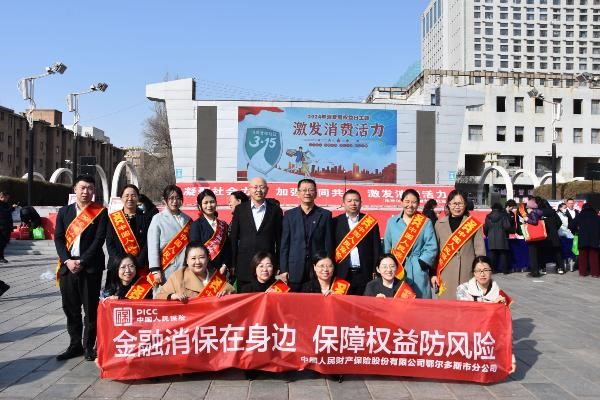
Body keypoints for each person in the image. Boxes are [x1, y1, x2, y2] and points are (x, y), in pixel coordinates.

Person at [54, 175, 108, 361]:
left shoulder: (100, 212)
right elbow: (58, 238)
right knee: (71, 309)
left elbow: (99, 240)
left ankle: (88, 346)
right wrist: (67, 260)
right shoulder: (64, 212)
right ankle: (74, 345)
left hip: (90, 267)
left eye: (90, 188)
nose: (86, 192)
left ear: (94, 191)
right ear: (75, 189)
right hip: (68, 267)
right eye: (82, 188)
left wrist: (83, 261)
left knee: (90, 309)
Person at [456, 255, 517, 375]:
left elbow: (506, 329)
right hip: (468, 332)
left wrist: (511, 359)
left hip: (488, 334)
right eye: (478, 271)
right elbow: (468, 311)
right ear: (474, 273)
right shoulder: (463, 288)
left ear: (491, 271)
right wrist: (491, 306)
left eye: (486, 270)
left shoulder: (500, 294)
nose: (482, 274)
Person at [280, 179, 333, 292]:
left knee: (316, 300)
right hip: (294, 268)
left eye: (310, 190)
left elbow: (328, 244)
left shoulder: (325, 215)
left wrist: (328, 267)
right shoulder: (289, 215)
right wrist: (283, 269)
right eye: (304, 190)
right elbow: (284, 245)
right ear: (298, 193)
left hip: (318, 268)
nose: (307, 193)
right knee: (294, 300)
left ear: (316, 193)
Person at [383, 189, 438, 298]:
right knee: (398, 302)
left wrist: (421, 263)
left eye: (414, 202)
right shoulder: (392, 222)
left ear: (418, 203)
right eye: (407, 201)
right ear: (401, 202)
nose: (410, 205)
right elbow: (387, 247)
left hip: (418, 270)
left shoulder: (425, 222)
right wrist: (387, 265)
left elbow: (431, 246)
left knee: (420, 301)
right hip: (397, 268)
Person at [230, 177, 282, 288]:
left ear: (267, 189)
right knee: (245, 297)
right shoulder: (240, 209)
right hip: (244, 265)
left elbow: (279, 240)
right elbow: (233, 238)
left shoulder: (275, 210)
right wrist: (233, 264)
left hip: (266, 268)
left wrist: (278, 264)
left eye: (262, 187)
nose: (258, 190)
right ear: (249, 189)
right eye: (255, 187)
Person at [434, 189, 485, 300]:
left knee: (467, 306)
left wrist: (480, 272)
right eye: (454, 203)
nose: (457, 207)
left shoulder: (473, 224)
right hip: (446, 274)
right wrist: (433, 274)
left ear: (465, 205)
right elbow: (435, 251)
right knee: (447, 305)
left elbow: (480, 251)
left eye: (460, 203)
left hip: (467, 273)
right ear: (448, 204)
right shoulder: (439, 224)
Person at [333, 189, 380, 295]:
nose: (353, 203)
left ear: (361, 203)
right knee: (342, 303)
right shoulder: (335, 222)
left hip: (365, 273)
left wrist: (376, 270)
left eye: (356, 200)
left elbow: (376, 249)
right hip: (342, 274)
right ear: (343, 203)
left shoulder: (369, 222)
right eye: (349, 201)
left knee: (364, 303)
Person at [148, 185, 192, 296]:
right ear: (165, 200)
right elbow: (153, 246)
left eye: (178, 198)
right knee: (165, 296)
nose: (174, 201)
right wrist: (155, 270)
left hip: (184, 267)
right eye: (171, 198)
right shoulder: (158, 218)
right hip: (166, 267)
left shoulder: (187, 219)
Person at [105, 184, 152, 288]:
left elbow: (148, 242)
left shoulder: (145, 218)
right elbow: (110, 243)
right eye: (126, 196)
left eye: (133, 195)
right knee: (115, 295)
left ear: (138, 198)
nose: (130, 198)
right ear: (121, 198)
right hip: (117, 267)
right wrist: (119, 262)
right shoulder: (114, 218)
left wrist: (139, 262)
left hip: (139, 266)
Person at [156, 242, 235, 301]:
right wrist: (172, 296)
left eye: (201, 257)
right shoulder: (179, 276)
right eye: (193, 258)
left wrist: (226, 295)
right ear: (187, 260)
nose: (197, 262)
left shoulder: (216, 277)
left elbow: (234, 295)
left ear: (208, 259)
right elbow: (158, 297)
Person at [190, 189, 231, 278]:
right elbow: (195, 249)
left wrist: (225, 265)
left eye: (212, 202)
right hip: (204, 271)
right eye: (205, 203)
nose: (209, 205)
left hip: (222, 271)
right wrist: (209, 269)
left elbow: (228, 248)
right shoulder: (196, 225)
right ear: (200, 206)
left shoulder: (223, 225)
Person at [571, 203, 600, 277]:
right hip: (594, 239)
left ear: (583, 208)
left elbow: (571, 225)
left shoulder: (580, 215)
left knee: (582, 256)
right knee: (594, 256)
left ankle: (583, 272)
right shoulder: (597, 216)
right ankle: (595, 273)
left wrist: (576, 231)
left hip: (583, 238)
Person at [484, 203, 513, 274]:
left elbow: (485, 227)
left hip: (491, 237)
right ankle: (505, 270)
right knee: (503, 254)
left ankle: (492, 270)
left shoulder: (488, 216)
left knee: (492, 254)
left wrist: (487, 234)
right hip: (502, 237)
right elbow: (507, 227)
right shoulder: (503, 216)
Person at [0, 191, 15, 263]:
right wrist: (12, 208)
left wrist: (12, 208)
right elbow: (3, 213)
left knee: (4, 242)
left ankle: (1, 257)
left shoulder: (5, 204)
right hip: (2, 226)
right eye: (6, 198)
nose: (7, 199)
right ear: (2, 197)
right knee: (2, 243)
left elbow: (7, 212)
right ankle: (1, 257)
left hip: (6, 226)